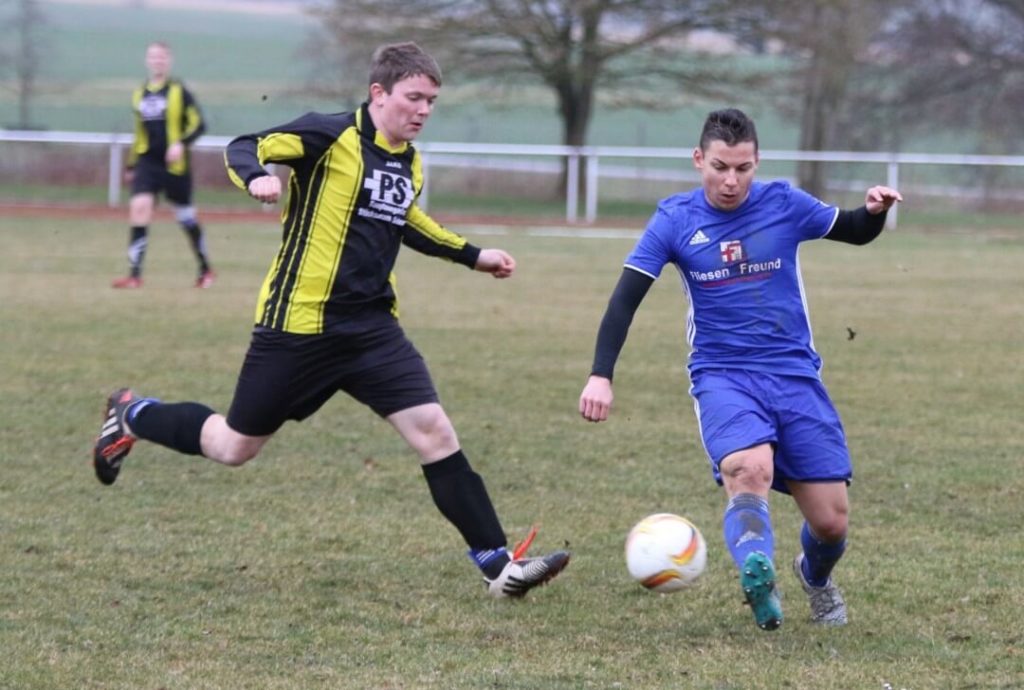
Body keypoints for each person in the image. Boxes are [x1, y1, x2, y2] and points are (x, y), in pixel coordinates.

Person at [94, 42, 569, 599]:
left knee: (434, 431)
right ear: (379, 93)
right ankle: (132, 415)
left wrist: (474, 254)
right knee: (233, 447)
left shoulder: (408, 160)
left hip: (371, 331)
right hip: (298, 327)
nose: (423, 110)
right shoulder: (328, 135)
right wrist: (256, 177)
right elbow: (245, 145)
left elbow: (406, 220)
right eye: (414, 97)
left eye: (432, 101)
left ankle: (498, 565)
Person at [578, 108, 901, 631]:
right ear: (698, 159)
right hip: (723, 374)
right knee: (750, 470)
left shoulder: (783, 203)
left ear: (757, 163)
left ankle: (813, 575)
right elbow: (624, 300)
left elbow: (853, 230)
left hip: (794, 375)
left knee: (831, 522)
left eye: (743, 168)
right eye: (721, 167)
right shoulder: (675, 219)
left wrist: (873, 212)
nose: (731, 181)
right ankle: (757, 569)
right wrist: (601, 373)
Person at [112, 41, 215, 289]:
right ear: (147, 60)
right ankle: (134, 275)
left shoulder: (179, 91)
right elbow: (139, 133)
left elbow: (199, 124)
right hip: (147, 162)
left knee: (186, 217)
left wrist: (181, 144)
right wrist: (131, 165)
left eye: (162, 56)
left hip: (174, 166)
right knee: (139, 208)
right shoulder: (140, 93)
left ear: (169, 61)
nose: (157, 60)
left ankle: (205, 269)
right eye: (153, 56)